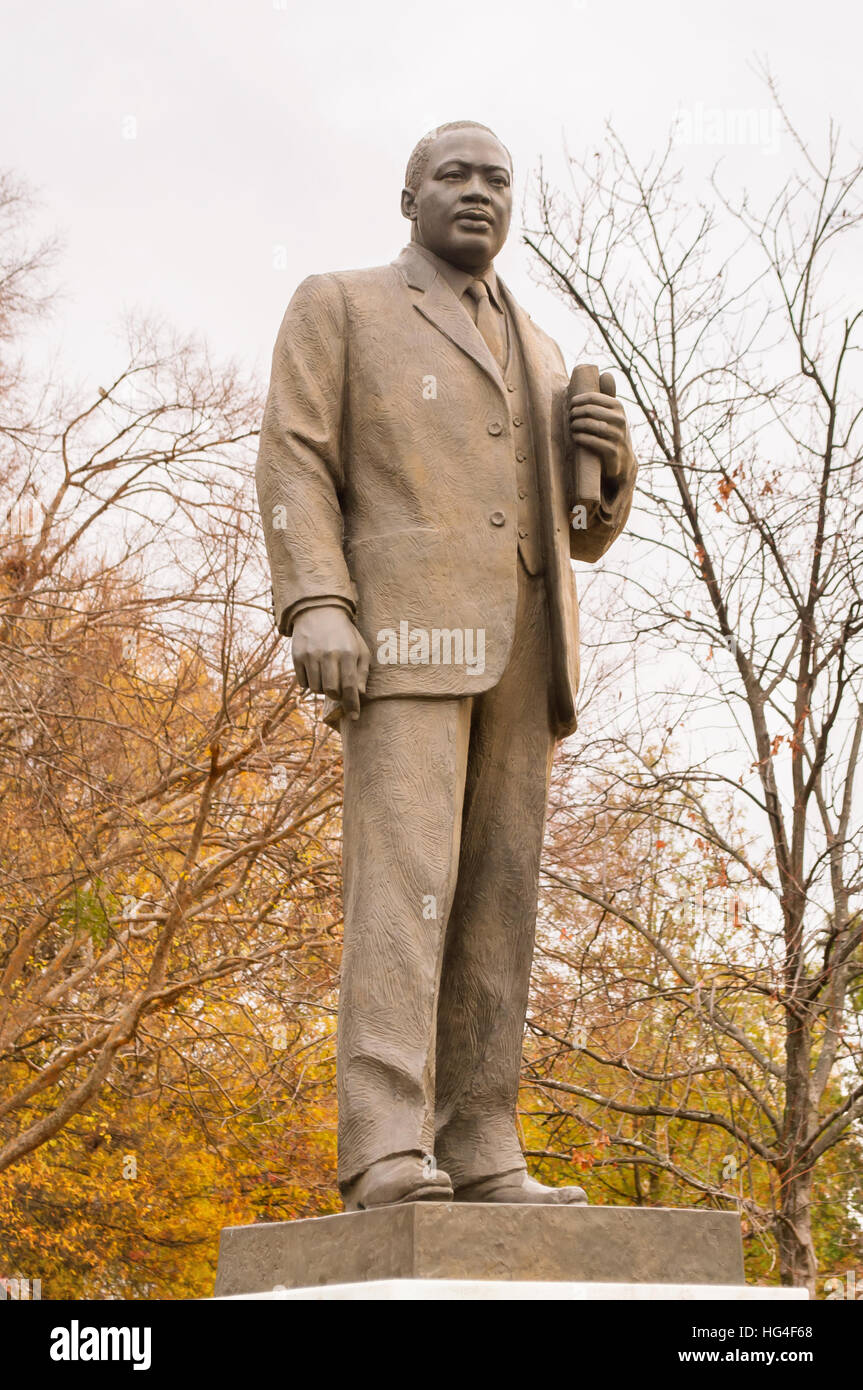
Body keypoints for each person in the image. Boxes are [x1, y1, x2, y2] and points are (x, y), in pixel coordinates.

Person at [256, 120, 637, 1210]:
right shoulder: (342, 304)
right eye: (455, 175)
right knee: (404, 888)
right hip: (406, 639)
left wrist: (608, 471)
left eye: (497, 179)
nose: (478, 192)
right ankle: (384, 1143)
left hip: (528, 646)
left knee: (498, 900)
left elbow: (579, 532)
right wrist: (317, 602)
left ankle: (482, 1144)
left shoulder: (545, 350)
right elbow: (292, 456)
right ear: (409, 195)